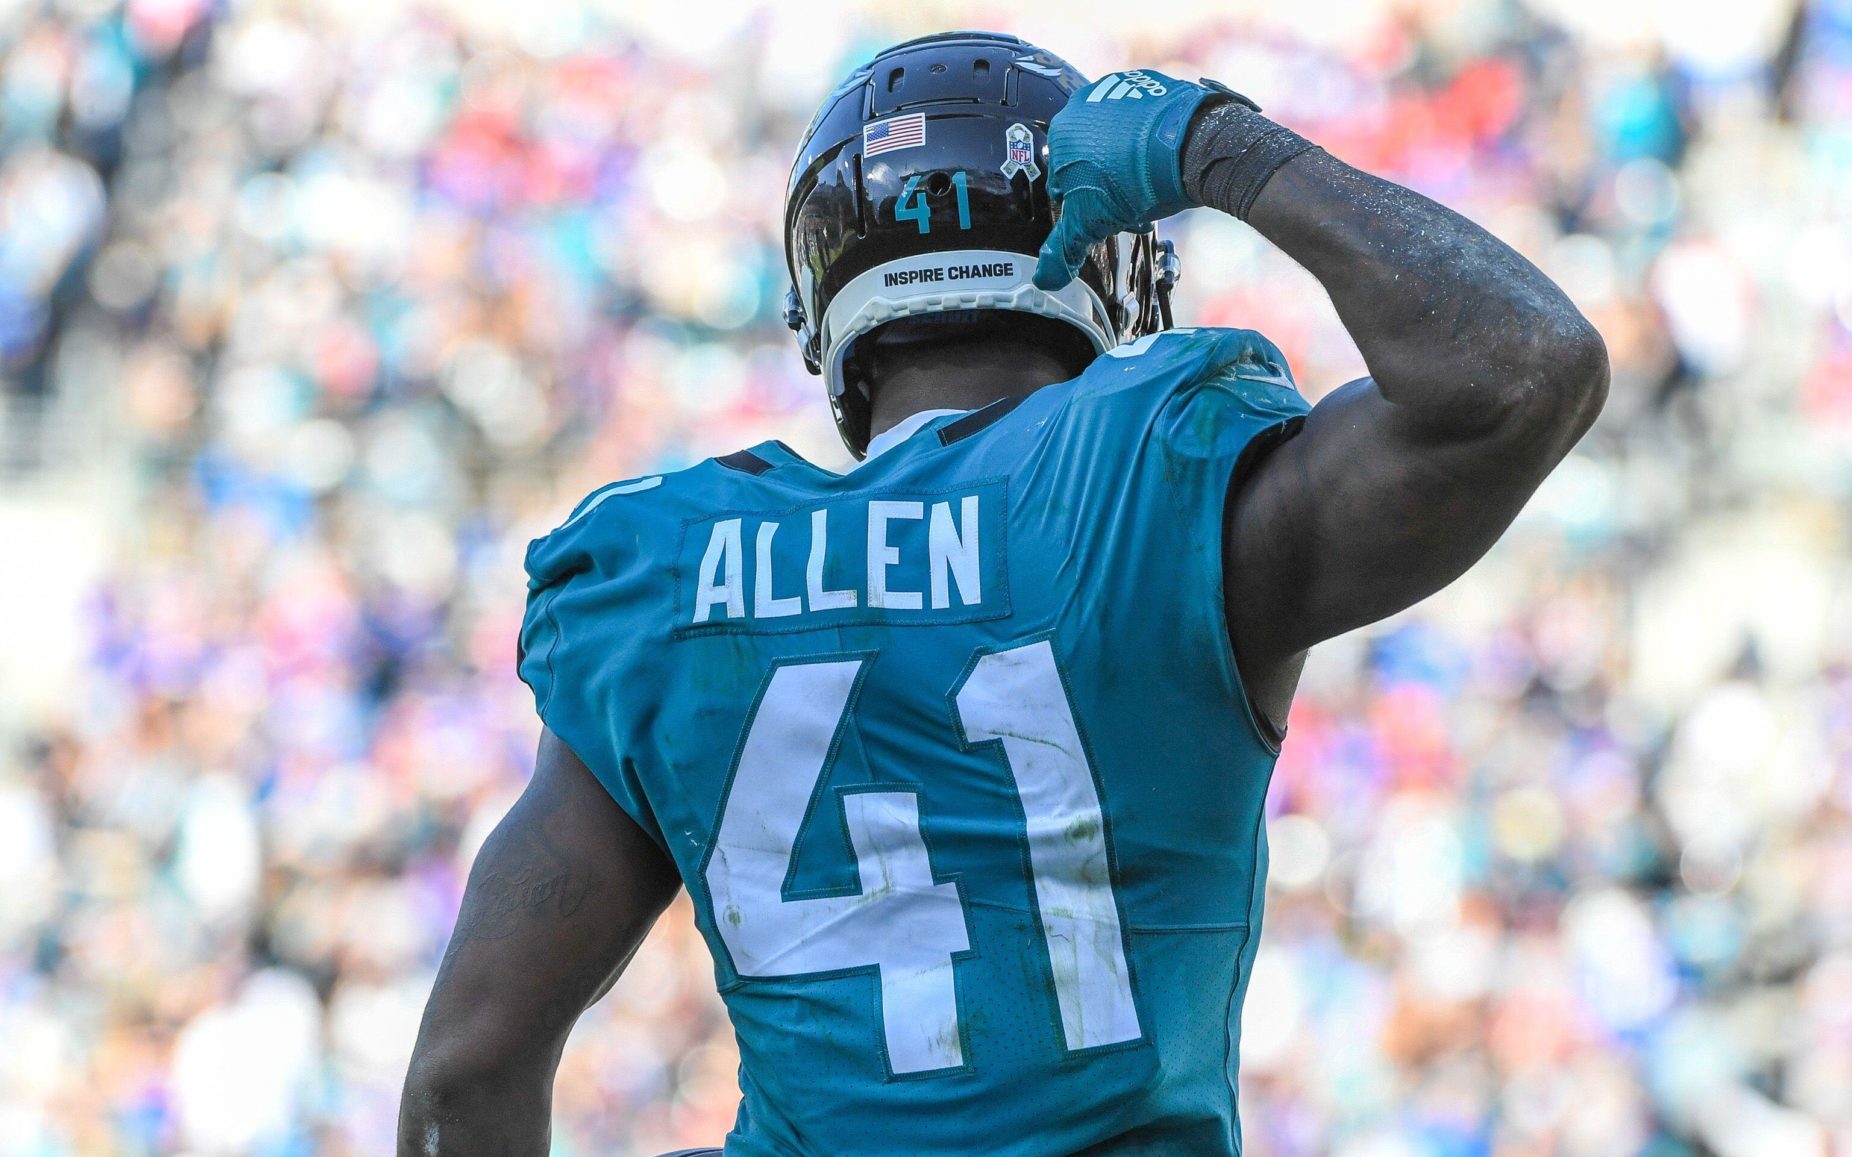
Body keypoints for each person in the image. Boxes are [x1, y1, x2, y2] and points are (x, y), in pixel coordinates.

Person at [396, 29, 1607, 1157]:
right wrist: (1225, 153)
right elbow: (1522, 370)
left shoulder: (664, 572)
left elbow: (467, 1066)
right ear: (1110, 262)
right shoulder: (1151, 488)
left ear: (823, 293)